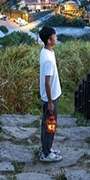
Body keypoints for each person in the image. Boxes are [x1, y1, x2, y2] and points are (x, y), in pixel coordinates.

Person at [38, 26, 62, 162]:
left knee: (48, 124)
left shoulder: (46, 52)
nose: (56, 38)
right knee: (49, 124)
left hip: (51, 96)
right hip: (50, 98)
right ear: (49, 40)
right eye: (54, 36)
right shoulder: (48, 59)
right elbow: (47, 83)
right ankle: (46, 154)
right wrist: (50, 102)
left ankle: (47, 148)